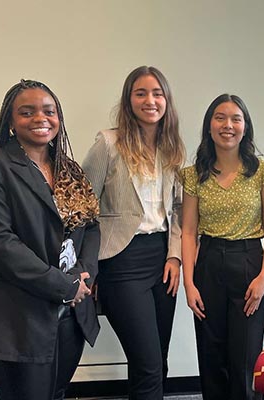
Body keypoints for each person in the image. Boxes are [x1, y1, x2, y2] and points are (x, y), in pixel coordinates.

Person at [0, 79, 100, 400]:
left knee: (55, 392)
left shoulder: (69, 169)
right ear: (10, 121)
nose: (40, 118)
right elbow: (0, 244)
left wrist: (84, 272)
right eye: (27, 112)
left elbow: (91, 226)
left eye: (49, 111)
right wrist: (64, 285)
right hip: (18, 309)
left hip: (71, 307)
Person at [82, 66, 185, 399]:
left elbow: (177, 210)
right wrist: (87, 267)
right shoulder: (108, 143)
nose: (150, 100)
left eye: (157, 93)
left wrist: (175, 255)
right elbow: (83, 207)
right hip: (121, 261)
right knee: (148, 364)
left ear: (166, 100)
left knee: (159, 361)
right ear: (128, 100)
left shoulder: (172, 148)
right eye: (141, 93)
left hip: (162, 261)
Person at [181, 94, 264, 400]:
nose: (228, 125)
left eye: (236, 118)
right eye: (220, 118)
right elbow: (187, 231)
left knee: (246, 357)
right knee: (211, 354)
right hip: (208, 263)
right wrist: (189, 283)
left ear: (245, 127)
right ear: (209, 127)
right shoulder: (194, 174)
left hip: (250, 261)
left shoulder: (263, 171)